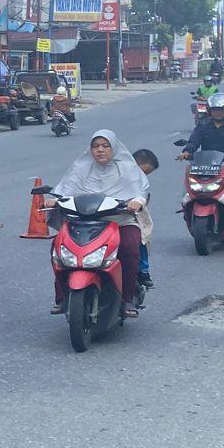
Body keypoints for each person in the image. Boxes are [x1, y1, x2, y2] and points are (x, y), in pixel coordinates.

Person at [48, 129, 148, 317]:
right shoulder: (81, 167)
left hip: (119, 220)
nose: (99, 150)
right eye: (95, 146)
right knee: (57, 246)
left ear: (114, 148)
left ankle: (127, 298)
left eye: (105, 146)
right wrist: (55, 200)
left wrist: (138, 201)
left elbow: (140, 191)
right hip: (84, 221)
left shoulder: (127, 168)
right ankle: (61, 297)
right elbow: (65, 190)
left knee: (129, 247)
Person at [132, 148, 158, 288]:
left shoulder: (142, 184)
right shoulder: (112, 172)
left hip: (131, 215)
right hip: (107, 215)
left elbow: (144, 197)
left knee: (141, 237)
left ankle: (143, 270)